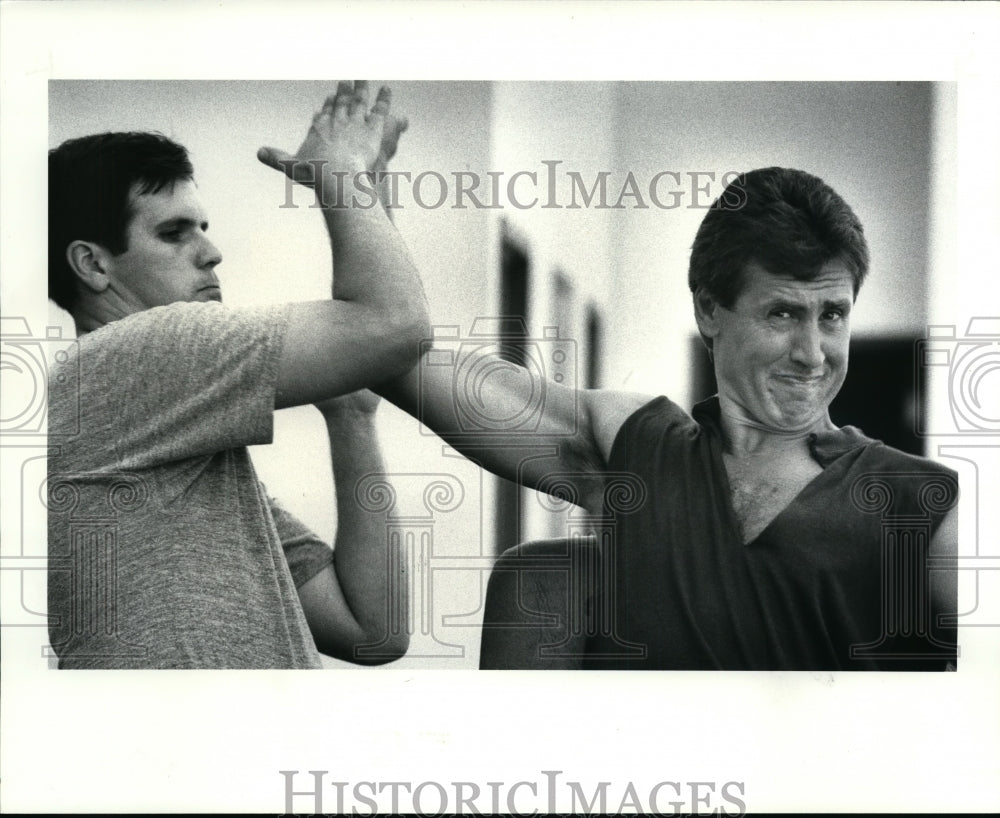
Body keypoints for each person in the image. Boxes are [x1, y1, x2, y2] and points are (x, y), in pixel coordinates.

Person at [382, 167, 959, 670]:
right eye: (782, 313)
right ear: (710, 308)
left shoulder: (923, 504)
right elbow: (393, 353)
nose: (813, 352)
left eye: (832, 315)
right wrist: (352, 199)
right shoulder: (640, 448)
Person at [47, 81, 427, 669]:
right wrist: (341, 174)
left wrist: (352, 414)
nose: (211, 251)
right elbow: (396, 326)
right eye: (174, 233)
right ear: (93, 264)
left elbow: (372, 630)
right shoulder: (134, 356)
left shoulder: (169, 437)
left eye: (202, 227)